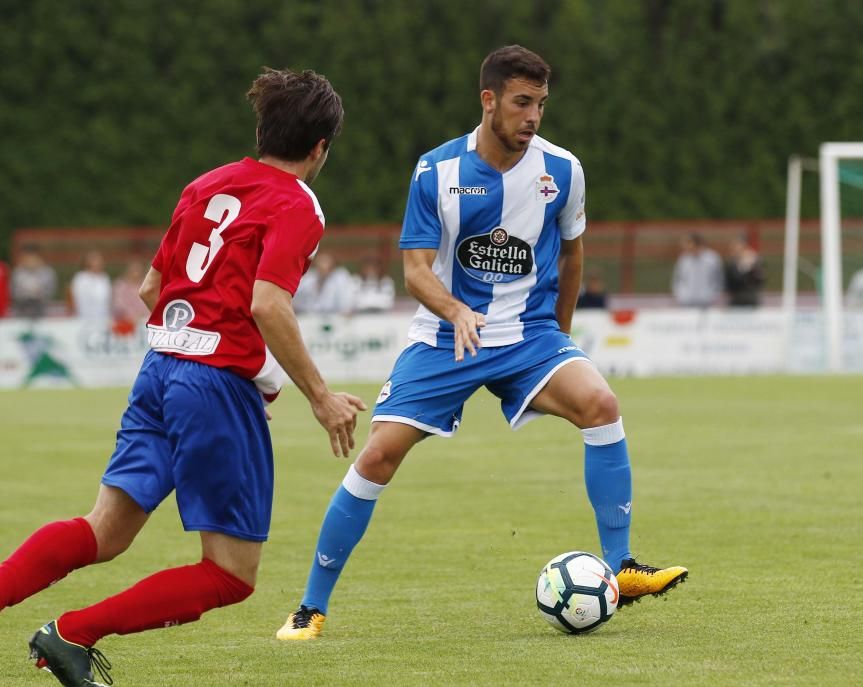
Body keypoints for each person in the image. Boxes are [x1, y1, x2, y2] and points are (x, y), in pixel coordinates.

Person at [277, 45, 687, 642]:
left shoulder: (563, 171)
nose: (533, 117)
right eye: (522, 103)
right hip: (446, 339)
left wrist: (560, 338)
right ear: (489, 100)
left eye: (542, 105)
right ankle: (310, 608)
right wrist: (455, 310)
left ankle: (621, 569)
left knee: (601, 404)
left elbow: (573, 255)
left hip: (528, 337)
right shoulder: (436, 171)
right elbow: (415, 270)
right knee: (377, 457)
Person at [0, 67, 366, 687]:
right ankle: (73, 634)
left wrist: (210, 370)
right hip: (209, 385)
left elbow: (151, 290)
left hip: (161, 368)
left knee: (103, 531)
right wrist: (318, 397)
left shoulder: (207, 183)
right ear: (320, 149)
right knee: (231, 574)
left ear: (262, 129)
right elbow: (268, 304)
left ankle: (59, 627)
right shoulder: (297, 203)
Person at [292, 250, 356, 314]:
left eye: (326, 262)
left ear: (332, 265)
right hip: (311, 317)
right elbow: (298, 299)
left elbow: (346, 302)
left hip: (335, 316)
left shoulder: (340, 277)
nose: (323, 265)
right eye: (321, 262)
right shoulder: (309, 278)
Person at [671, 232, 723, 308]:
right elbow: (677, 279)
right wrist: (680, 295)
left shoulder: (712, 259)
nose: (684, 246)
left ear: (696, 243)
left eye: (687, 243)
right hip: (686, 302)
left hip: (707, 302)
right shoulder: (683, 259)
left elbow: (719, 279)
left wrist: (713, 295)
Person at [10, 244, 57, 319]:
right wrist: (27, 294)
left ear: (39, 258)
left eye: (33, 258)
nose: (30, 261)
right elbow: (13, 292)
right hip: (21, 310)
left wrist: (39, 293)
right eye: (27, 258)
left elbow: (51, 291)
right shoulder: (18, 273)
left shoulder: (47, 272)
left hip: (42, 310)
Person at [70, 250, 112, 323]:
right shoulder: (80, 278)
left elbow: (108, 300)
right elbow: (73, 299)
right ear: (87, 262)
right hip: (82, 318)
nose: (97, 263)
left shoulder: (105, 278)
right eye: (94, 260)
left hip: (103, 319)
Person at [724, 235, 765, 307]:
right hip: (736, 298)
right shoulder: (732, 263)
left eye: (736, 245)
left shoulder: (754, 261)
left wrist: (748, 267)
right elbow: (730, 282)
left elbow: (759, 280)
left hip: (750, 299)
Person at [112, 259, 150, 334]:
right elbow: (119, 305)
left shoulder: (145, 286)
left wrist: (141, 316)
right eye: (133, 271)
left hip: (142, 323)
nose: (135, 273)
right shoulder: (120, 286)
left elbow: (147, 304)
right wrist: (131, 317)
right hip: (125, 324)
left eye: (138, 271)